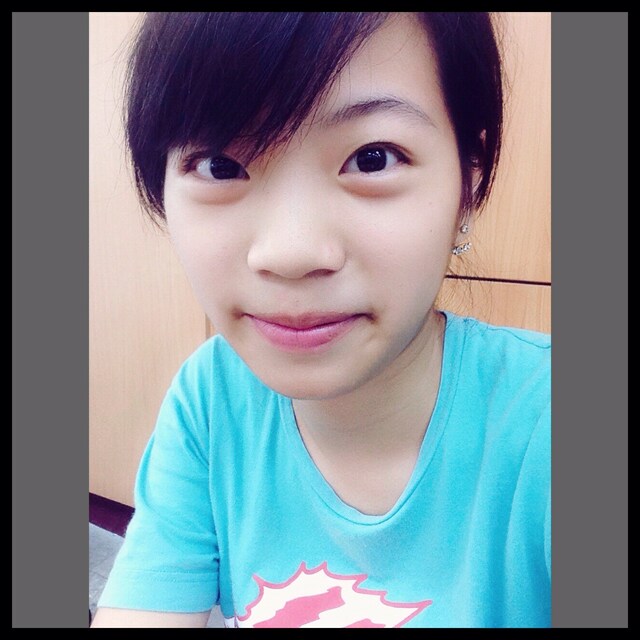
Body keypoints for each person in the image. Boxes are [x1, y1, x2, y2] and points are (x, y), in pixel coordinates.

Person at [91, 12, 550, 628]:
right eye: (221, 166)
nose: (291, 253)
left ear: (468, 181)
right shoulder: (214, 397)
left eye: (373, 158)